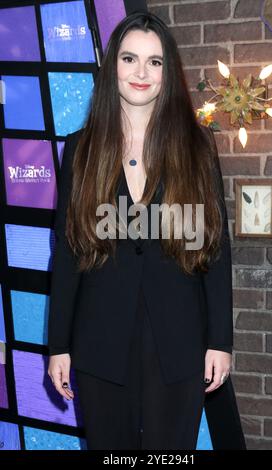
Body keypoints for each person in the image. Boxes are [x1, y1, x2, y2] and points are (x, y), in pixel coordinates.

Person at [47, 11, 246, 450]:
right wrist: (58, 344)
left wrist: (219, 342)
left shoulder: (197, 145)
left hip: (178, 341)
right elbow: (67, 251)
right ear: (112, 67)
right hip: (99, 340)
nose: (141, 73)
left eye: (154, 62)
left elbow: (214, 248)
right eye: (130, 59)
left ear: (167, 72)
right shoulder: (80, 149)